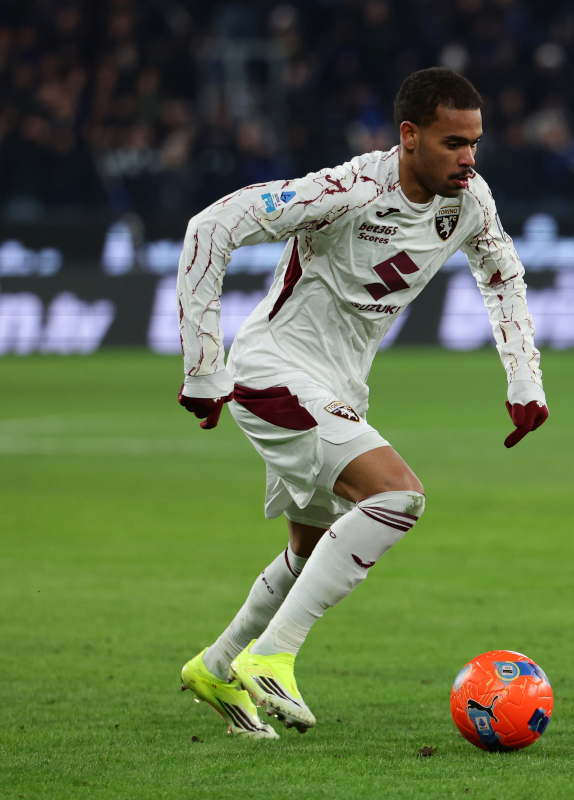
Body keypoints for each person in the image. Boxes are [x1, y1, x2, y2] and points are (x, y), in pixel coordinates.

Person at [176, 68, 548, 738]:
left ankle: (218, 663)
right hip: (272, 373)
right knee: (397, 496)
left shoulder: (468, 201)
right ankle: (275, 656)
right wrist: (204, 369)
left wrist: (524, 380)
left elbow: (503, 275)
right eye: (452, 142)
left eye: (475, 142)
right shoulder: (343, 192)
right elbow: (211, 227)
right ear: (409, 137)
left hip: (338, 388)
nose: (468, 157)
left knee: (308, 549)